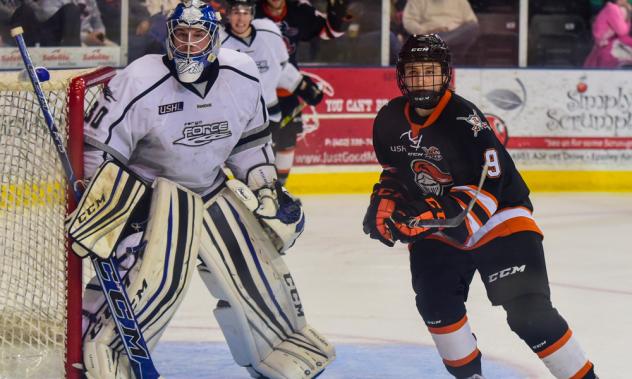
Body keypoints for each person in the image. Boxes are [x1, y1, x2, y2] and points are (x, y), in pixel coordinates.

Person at [66, 1, 334, 378]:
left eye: (198, 36)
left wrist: (265, 188)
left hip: (210, 188)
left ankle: (278, 346)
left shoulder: (241, 74)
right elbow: (99, 151)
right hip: (150, 197)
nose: (189, 44)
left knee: (256, 270)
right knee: (153, 282)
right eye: (181, 35)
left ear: (214, 38)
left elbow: (250, 143)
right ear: (169, 37)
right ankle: (104, 352)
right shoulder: (139, 79)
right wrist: (114, 209)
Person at [363, 34, 598, 379]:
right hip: (440, 224)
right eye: (415, 72)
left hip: (499, 219)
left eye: (431, 71)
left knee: (528, 313)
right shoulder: (388, 120)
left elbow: (482, 197)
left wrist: (424, 218)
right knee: (436, 305)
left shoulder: (464, 120)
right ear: (402, 76)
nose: (423, 80)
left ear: (445, 75)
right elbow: (396, 173)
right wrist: (386, 200)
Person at [255, 0, 350, 184]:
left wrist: (339, 17)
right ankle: (256, 190)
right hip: (257, 93)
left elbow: (328, 32)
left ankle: (280, 191)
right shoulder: (252, 11)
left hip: (287, 88)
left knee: (287, 142)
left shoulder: (299, 10)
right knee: (257, 147)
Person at [221, 0, 302, 130]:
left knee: (274, 150)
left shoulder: (269, 31)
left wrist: (302, 85)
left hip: (270, 112)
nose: (241, 19)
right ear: (228, 14)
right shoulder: (218, 43)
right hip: (235, 115)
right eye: (236, 13)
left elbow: (282, 67)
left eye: (245, 13)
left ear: (252, 14)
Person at [402, 0, 479, 64]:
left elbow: (472, 22)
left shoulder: (460, 1)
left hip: (455, 38)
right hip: (429, 36)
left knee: (473, 27)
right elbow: (409, 22)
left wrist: (451, 31)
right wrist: (425, 31)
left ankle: (438, 44)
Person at [9, 0, 81, 46]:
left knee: (71, 10)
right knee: (22, 11)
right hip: (29, 29)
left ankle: (71, 57)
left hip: (55, 31)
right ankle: (19, 54)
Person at [584, 0, 632, 68]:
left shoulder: (613, 8)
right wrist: (628, 21)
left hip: (610, 43)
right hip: (605, 47)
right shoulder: (612, 8)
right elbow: (622, 31)